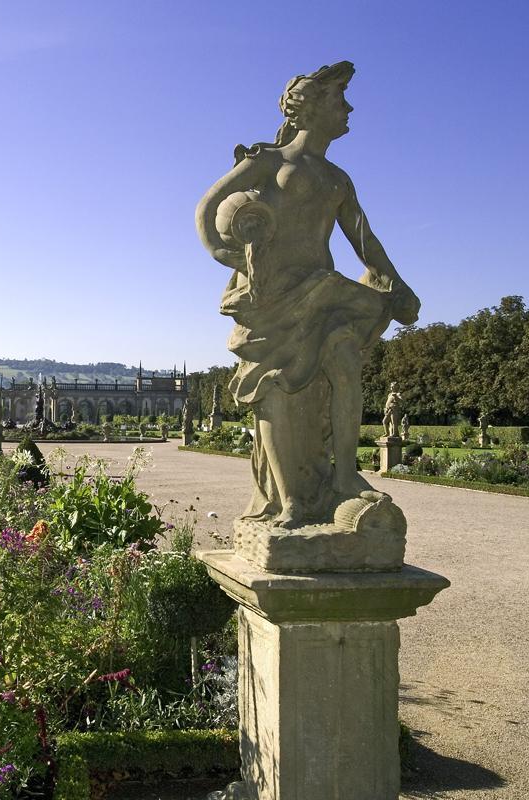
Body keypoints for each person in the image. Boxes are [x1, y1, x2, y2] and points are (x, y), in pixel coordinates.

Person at [196, 61, 419, 527]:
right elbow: (208, 209)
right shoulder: (268, 161)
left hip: (321, 294)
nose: (349, 108)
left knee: (345, 364)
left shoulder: (338, 179)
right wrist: (233, 259)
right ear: (310, 109)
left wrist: (397, 285)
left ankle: (345, 478)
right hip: (271, 298)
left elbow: (365, 242)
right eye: (339, 100)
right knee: (272, 388)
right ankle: (291, 499)